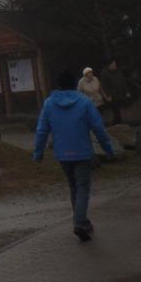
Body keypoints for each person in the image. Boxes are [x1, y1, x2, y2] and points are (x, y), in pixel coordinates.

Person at [34, 69, 117, 241]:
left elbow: (42, 131)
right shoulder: (84, 102)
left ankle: (82, 222)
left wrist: (38, 153)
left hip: (62, 154)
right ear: (74, 84)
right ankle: (79, 222)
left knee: (74, 187)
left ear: (58, 85)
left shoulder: (49, 103)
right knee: (82, 188)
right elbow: (98, 128)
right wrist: (108, 149)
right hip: (83, 152)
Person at [100, 58, 128, 126]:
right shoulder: (104, 73)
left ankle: (117, 123)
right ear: (109, 65)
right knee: (116, 110)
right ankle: (117, 123)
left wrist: (127, 91)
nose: (114, 65)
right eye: (113, 64)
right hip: (112, 95)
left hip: (119, 94)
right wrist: (108, 95)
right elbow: (104, 86)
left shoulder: (118, 71)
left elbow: (123, 82)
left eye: (115, 64)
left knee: (118, 109)